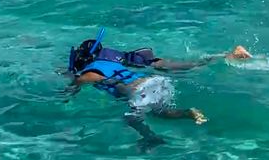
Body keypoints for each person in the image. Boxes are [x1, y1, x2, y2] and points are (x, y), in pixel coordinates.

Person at [63, 30, 251, 147]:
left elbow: (73, 88)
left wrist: (66, 93)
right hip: (158, 82)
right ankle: (190, 111)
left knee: (132, 118)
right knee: (161, 110)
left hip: (140, 91)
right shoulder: (112, 62)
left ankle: (150, 138)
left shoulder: (88, 74)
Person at [66, 28, 251, 73]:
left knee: (194, 66)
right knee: (192, 63)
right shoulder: (102, 55)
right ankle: (225, 54)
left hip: (153, 63)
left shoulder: (97, 63)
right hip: (147, 59)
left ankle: (230, 55)